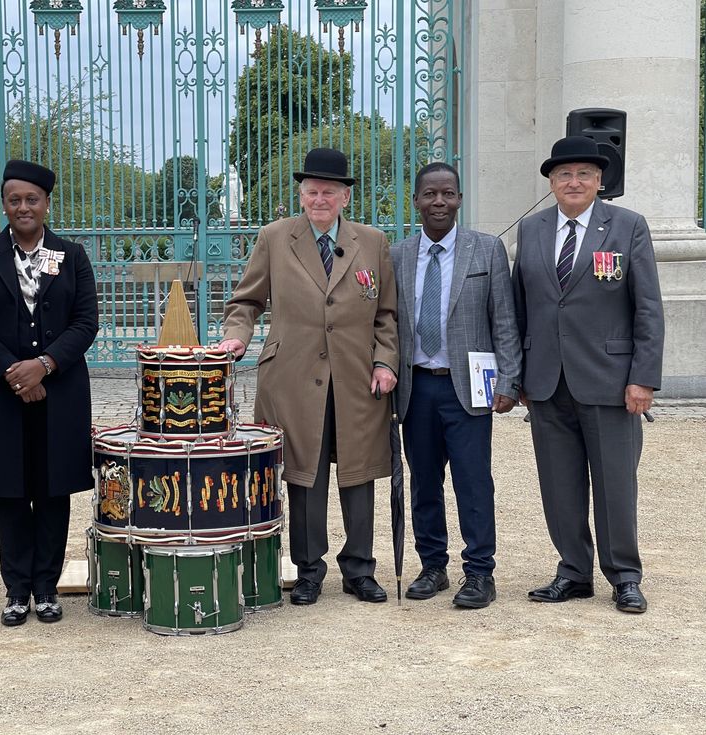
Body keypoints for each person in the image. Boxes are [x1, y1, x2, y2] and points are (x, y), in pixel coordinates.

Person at [218, 148, 399, 606]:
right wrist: (235, 337)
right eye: (311, 192)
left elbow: (386, 315)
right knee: (305, 473)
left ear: (345, 198)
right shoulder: (275, 237)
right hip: (293, 374)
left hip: (356, 376)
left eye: (328, 193)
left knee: (359, 473)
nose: (319, 200)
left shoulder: (373, 242)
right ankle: (309, 570)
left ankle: (359, 568)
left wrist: (386, 362)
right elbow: (247, 300)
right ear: (301, 195)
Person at [513, 136, 665, 614]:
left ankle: (623, 576)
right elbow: (520, 309)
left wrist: (643, 378)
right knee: (559, 485)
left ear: (600, 181)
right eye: (563, 175)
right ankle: (573, 571)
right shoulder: (533, 229)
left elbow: (648, 309)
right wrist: (517, 375)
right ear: (551, 183)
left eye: (583, 174)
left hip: (611, 381)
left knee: (615, 483)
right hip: (546, 381)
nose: (573, 182)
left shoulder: (627, 227)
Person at [0, 160, 98, 626]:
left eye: (31, 199)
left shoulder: (72, 256)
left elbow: (85, 323)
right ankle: (17, 589)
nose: (23, 207)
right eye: (14, 200)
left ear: (47, 203)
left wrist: (45, 365)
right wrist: (14, 374)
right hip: (2, 395)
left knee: (53, 490)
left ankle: (47, 587)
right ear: (4, 204)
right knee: (11, 492)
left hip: (59, 393)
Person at [391, 162, 521, 609]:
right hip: (416, 388)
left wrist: (509, 379)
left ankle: (480, 573)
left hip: (468, 388)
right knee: (424, 482)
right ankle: (432, 566)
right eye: (430, 194)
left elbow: (504, 321)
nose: (439, 202)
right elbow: (387, 325)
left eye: (448, 193)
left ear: (460, 199)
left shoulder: (486, 250)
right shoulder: (397, 256)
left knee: (472, 482)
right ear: (417, 201)